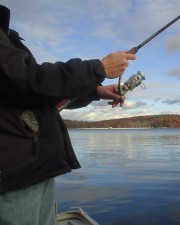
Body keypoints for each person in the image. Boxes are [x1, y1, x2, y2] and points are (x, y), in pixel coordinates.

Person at [0, 4, 136, 225]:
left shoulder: (9, 35)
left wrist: (93, 91)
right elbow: (29, 79)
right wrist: (97, 69)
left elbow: (41, 94)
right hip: (11, 175)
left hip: (33, 168)